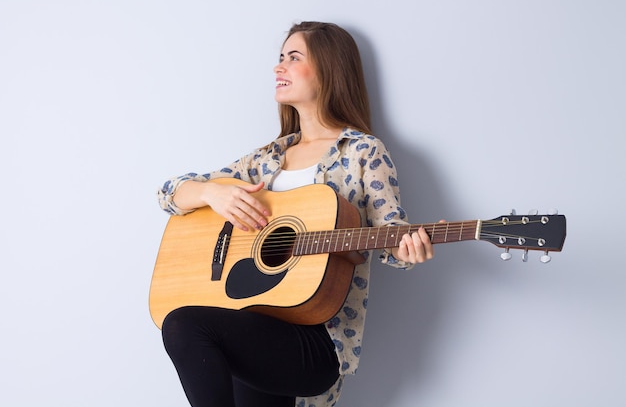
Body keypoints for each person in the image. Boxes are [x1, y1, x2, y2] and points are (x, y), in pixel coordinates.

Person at [157, 21, 435, 407]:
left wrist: (408, 250)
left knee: (185, 324)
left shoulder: (363, 152)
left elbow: (391, 235)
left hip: (315, 339)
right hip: (254, 321)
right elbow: (169, 193)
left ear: (329, 68)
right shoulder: (266, 160)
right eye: (279, 58)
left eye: (293, 57)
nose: (278, 67)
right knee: (184, 324)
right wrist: (211, 194)